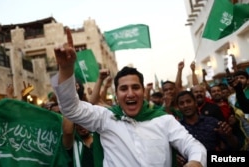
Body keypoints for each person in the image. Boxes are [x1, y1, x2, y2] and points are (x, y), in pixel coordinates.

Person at [51, 28, 207, 167]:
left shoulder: (164, 121)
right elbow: (71, 109)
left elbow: (194, 146)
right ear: (117, 95)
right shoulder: (105, 118)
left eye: (135, 87)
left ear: (142, 91)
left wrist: (195, 162)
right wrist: (66, 69)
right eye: (124, 89)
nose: (130, 93)